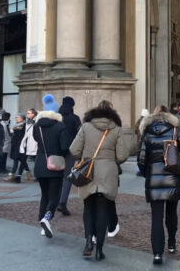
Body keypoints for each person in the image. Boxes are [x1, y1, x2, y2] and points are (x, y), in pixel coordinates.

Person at [69, 100, 129, 261]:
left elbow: (74, 150)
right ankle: (99, 250)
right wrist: (110, 160)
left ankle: (89, 241)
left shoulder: (86, 127)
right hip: (108, 172)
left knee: (88, 207)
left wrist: (84, 157)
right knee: (103, 209)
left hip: (88, 171)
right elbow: (122, 156)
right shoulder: (116, 129)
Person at [138, 106, 180, 265]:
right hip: (173, 177)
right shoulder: (175, 131)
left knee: (156, 218)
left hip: (153, 179)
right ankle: (172, 243)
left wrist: (148, 174)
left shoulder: (147, 133)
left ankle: (157, 254)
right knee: (171, 213)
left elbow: (141, 159)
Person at [33, 94, 68, 239]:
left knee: (44, 195)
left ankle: (42, 223)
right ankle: (47, 218)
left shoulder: (37, 127)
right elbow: (64, 147)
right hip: (55, 164)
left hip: (40, 164)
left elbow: (36, 141)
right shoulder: (60, 126)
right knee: (55, 195)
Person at [58, 96, 82, 217]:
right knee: (67, 176)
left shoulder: (56, 118)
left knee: (56, 175)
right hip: (70, 150)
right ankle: (62, 202)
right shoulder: (75, 118)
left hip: (57, 150)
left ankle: (53, 201)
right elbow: (80, 135)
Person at [6, 112, 30, 183]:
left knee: (22, 160)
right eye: (16, 117)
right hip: (15, 146)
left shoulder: (25, 126)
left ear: (22, 118)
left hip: (23, 146)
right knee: (16, 160)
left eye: (18, 117)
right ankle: (16, 174)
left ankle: (18, 175)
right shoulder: (15, 126)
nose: (16, 118)